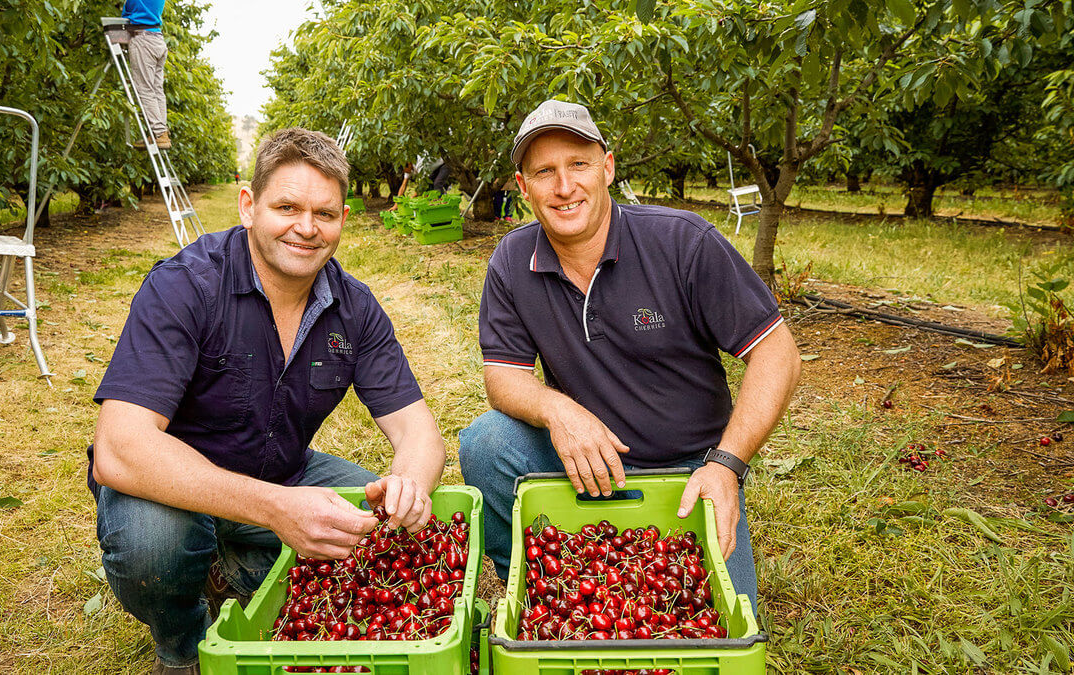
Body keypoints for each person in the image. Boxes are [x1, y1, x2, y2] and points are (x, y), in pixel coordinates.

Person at [90, 128, 446, 675]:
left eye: (324, 213)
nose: (306, 228)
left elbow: (417, 431)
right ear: (248, 206)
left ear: (343, 221)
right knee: (155, 546)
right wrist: (276, 509)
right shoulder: (185, 286)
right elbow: (119, 448)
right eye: (287, 207)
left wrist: (410, 485)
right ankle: (181, 646)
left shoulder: (354, 309)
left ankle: (230, 562)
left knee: (370, 535)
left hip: (283, 471)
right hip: (172, 488)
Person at [458, 100, 801, 606]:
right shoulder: (513, 260)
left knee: (708, 623)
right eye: (544, 172)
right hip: (588, 459)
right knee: (486, 443)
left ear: (609, 167)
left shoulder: (682, 241)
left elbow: (778, 354)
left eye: (578, 164)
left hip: (689, 471)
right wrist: (558, 409)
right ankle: (536, 587)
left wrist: (725, 466)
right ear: (523, 186)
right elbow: (502, 378)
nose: (564, 186)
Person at [122, 0, 171, 149]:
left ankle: (159, 132)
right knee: (157, 91)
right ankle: (160, 133)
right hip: (157, 39)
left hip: (143, 39)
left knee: (145, 89)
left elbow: (128, 9)